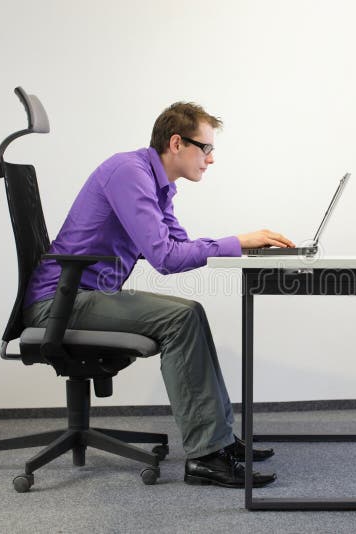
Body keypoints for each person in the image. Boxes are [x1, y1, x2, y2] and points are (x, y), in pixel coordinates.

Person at [22, 102, 294, 488]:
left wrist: (242, 244)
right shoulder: (129, 173)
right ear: (177, 143)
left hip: (83, 295)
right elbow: (165, 258)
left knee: (191, 312)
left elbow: (178, 246)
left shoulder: (156, 184)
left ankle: (220, 442)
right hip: (59, 304)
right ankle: (205, 457)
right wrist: (237, 241)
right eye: (206, 148)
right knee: (179, 318)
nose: (211, 159)